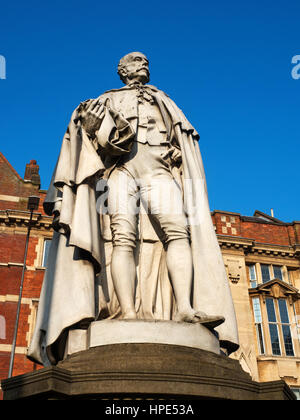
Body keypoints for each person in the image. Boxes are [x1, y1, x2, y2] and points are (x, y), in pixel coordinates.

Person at [28, 52, 239, 365]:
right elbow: (88, 139)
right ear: (122, 70)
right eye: (135, 60)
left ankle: (184, 307)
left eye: (146, 61)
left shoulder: (164, 100)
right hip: (119, 173)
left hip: (158, 171)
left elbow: (184, 142)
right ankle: (126, 311)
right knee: (122, 238)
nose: (143, 63)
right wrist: (90, 123)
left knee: (177, 233)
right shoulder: (105, 99)